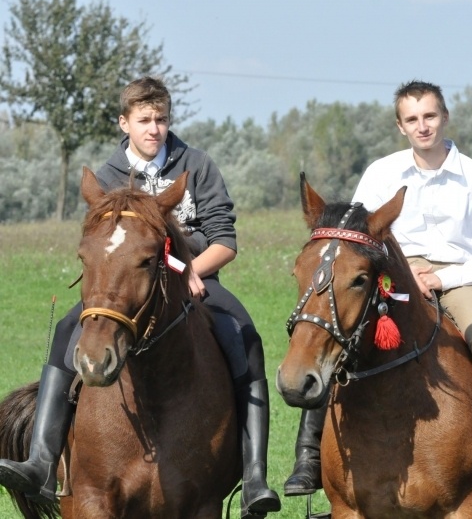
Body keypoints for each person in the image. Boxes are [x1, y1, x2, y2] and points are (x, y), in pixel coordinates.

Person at [0, 76, 281, 518]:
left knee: (244, 336)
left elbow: (224, 241)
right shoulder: (109, 175)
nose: (154, 129)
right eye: (144, 120)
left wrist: (191, 270)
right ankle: (40, 461)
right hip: (125, 286)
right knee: (66, 330)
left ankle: (255, 477)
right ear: (124, 123)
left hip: (195, 282)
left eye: (161, 119)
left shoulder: (198, 165)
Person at [283, 80, 472, 507]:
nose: (422, 126)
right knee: (336, 324)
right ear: (401, 126)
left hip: (458, 279)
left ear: (445, 117)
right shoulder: (381, 173)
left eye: (430, 116)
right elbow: (355, 238)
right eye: (412, 119)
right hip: (393, 275)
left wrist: (445, 278)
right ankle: (308, 455)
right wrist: (401, 271)